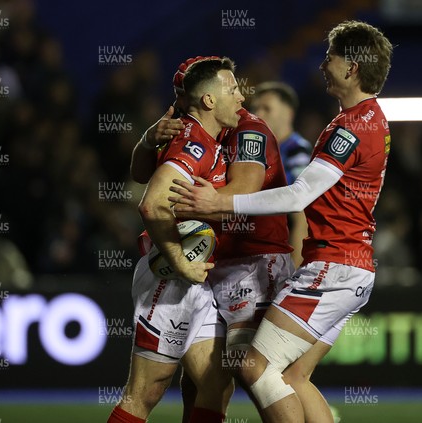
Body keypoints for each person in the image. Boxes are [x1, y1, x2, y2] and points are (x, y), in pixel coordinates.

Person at [169, 20, 393, 422]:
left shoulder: (351, 128)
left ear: (352, 68)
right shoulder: (372, 118)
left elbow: (297, 196)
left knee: (254, 365)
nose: (323, 64)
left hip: (334, 267)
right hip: (352, 268)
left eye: (331, 57)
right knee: (295, 375)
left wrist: (220, 205)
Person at [108, 57, 244, 423]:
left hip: (196, 281)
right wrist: (181, 262)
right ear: (209, 101)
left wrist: (147, 140)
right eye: (233, 90)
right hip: (169, 278)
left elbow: (140, 172)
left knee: (215, 384)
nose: (241, 97)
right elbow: (151, 205)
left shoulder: (199, 135)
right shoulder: (195, 142)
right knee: (146, 393)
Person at [251, 82, 312, 266]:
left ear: (288, 114)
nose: (258, 114)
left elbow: (302, 212)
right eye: (255, 108)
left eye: (267, 108)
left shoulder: (296, 151)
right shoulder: (260, 149)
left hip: (282, 258)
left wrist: (295, 266)